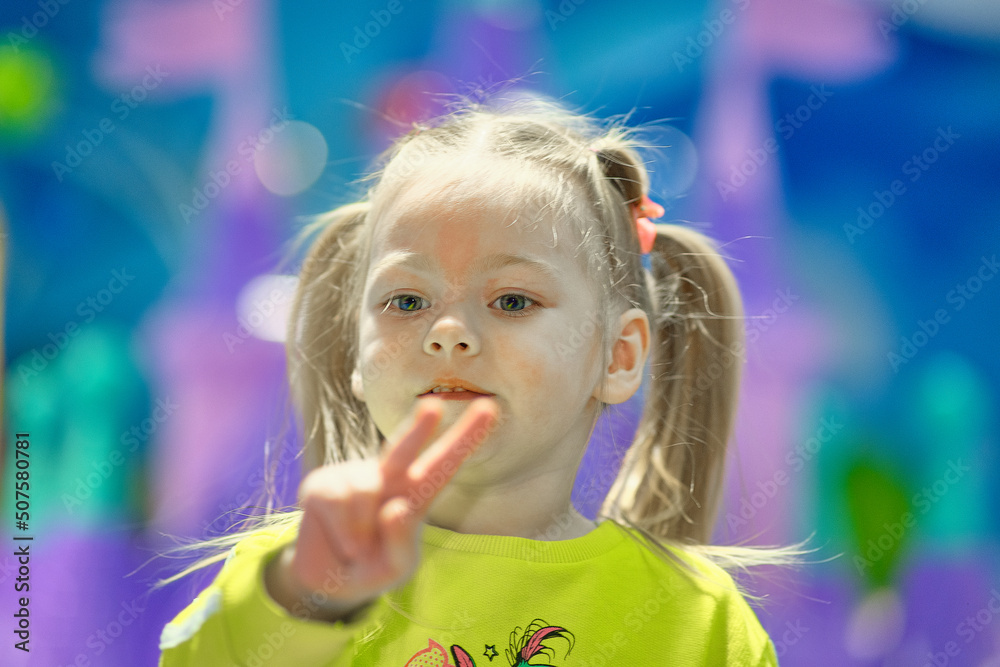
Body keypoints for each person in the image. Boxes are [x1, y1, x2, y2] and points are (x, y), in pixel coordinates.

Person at [157, 94, 811, 666]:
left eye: (512, 300)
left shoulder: (702, 620)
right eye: (407, 301)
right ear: (355, 350)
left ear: (618, 355)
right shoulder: (289, 574)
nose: (448, 331)